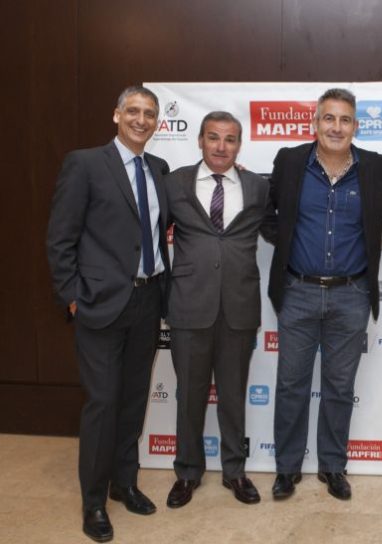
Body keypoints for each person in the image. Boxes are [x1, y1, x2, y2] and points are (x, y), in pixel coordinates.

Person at [47, 85, 169, 542]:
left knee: (134, 399)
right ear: (116, 115)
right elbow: (60, 237)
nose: (141, 119)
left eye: (149, 113)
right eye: (133, 111)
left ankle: (125, 483)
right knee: (103, 402)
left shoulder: (158, 169)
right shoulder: (85, 164)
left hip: (148, 300)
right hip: (99, 303)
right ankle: (94, 501)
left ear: (157, 122)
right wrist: (72, 295)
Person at [265, 88, 382, 501]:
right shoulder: (290, 161)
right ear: (315, 123)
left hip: (351, 294)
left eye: (345, 120)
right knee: (291, 385)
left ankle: (333, 466)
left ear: (355, 126)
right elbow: (267, 213)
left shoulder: (375, 167)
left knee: (339, 386)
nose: (336, 127)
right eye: (329, 118)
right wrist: (288, 242)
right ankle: (287, 468)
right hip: (298, 291)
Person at [164, 112, 270, 508]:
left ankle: (234, 471)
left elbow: (282, 226)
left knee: (233, 395)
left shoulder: (258, 186)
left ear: (239, 144)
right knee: (189, 397)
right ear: (200, 140)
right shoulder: (174, 182)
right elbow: (151, 232)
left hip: (239, 306)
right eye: (213, 137)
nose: (221, 147)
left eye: (230, 139)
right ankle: (187, 472)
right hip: (189, 304)